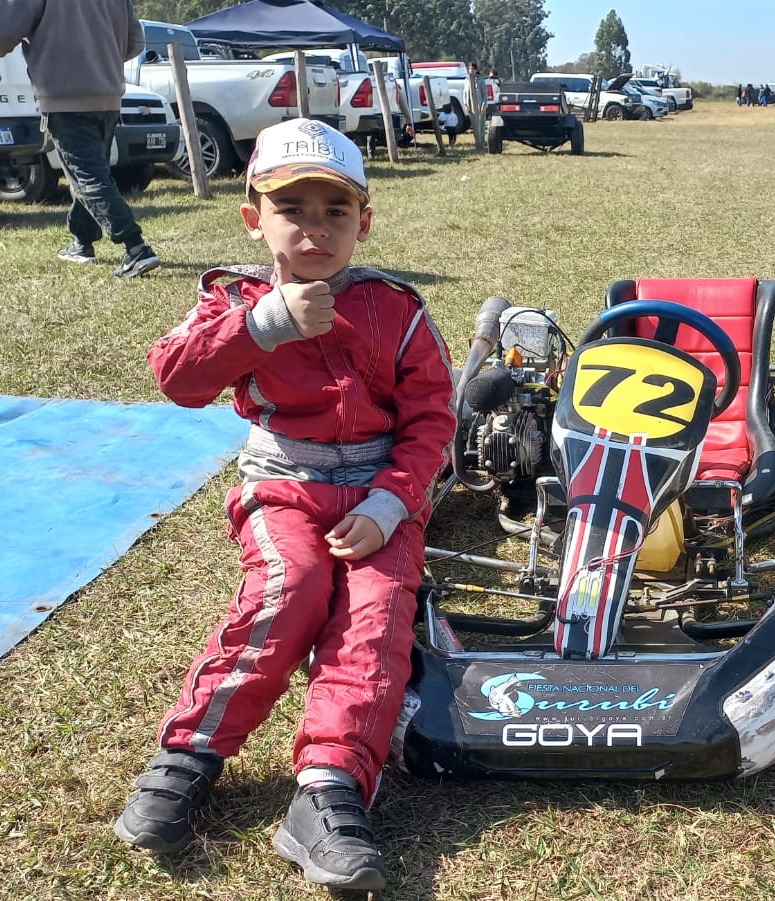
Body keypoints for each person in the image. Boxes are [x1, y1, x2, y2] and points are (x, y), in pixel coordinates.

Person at [115, 118, 456, 892]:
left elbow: (435, 417)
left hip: (378, 494)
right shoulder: (231, 299)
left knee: (375, 618)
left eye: (335, 211)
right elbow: (177, 377)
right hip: (283, 485)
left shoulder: (395, 309)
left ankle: (329, 790)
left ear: (363, 222)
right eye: (291, 208)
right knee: (289, 588)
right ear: (253, 219)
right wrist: (263, 325)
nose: (314, 228)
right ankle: (189, 754)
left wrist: (391, 504)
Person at [0, 0, 159, 278]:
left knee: (88, 179)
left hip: (64, 97)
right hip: (108, 96)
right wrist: (99, 58)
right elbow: (134, 42)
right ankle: (82, 242)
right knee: (92, 174)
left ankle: (136, 248)